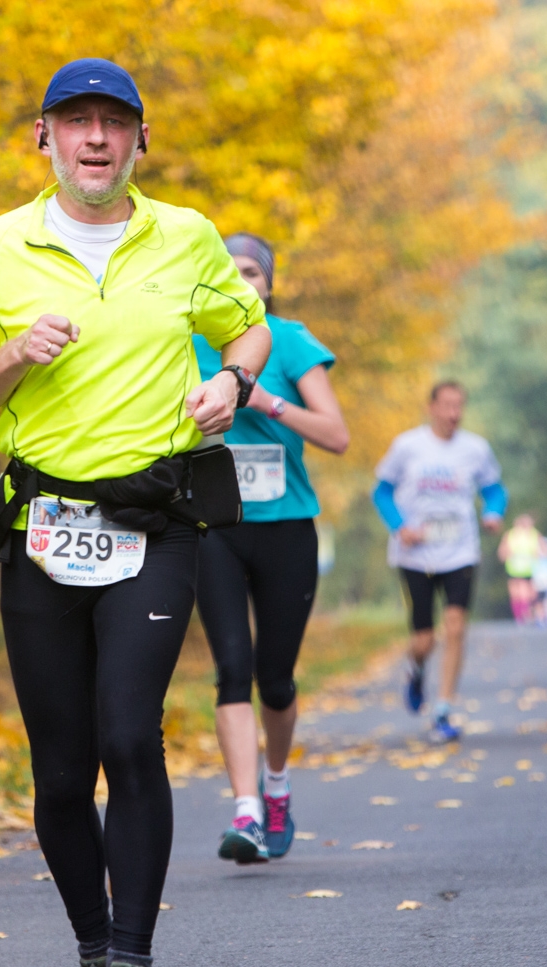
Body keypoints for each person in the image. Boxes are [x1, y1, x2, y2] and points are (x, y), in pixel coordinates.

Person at [0, 59, 271, 967]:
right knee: (59, 769)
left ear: (139, 141)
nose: (93, 139)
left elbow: (245, 329)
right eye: (74, 122)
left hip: (155, 522)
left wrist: (232, 384)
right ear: (42, 136)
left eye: (112, 124)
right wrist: (10, 355)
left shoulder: (187, 236)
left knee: (131, 735)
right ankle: (92, 961)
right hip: (42, 525)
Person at [192, 234, 350, 866]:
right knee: (232, 668)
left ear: (270, 283)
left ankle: (277, 785)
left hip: (286, 528)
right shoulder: (187, 338)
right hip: (215, 527)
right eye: (227, 271)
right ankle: (246, 811)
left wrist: (268, 400)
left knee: (274, 678)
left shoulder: (289, 340)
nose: (241, 279)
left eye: (252, 271)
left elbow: (336, 434)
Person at [373, 383, 506, 742]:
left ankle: (443, 709)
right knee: (424, 639)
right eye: (447, 406)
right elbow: (382, 491)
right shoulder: (407, 446)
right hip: (415, 554)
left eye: (459, 406)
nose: (453, 413)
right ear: (431, 407)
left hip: (460, 550)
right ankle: (415, 668)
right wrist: (400, 527)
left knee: (456, 626)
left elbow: (494, 488)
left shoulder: (476, 449)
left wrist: (494, 512)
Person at [497, 514, 542, 624]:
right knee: (517, 594)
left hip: (527, 568)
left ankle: (525, 615)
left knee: (525, 593)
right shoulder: (511, 534)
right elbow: (502, 551)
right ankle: (521, 616)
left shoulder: (533, 534)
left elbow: (541, 549)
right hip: (515, 568)